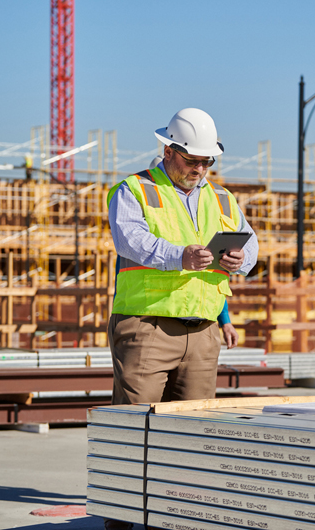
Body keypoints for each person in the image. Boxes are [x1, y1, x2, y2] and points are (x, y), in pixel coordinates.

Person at [107, 107, 258, 407]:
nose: (200, 169)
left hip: (204, 332)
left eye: (207, 162)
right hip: (148, 325)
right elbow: (129, 241)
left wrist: (241, 260)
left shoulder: (223, 198)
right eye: (192, 161)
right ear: (168, 151)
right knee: (135, 427)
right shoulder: (135, 190)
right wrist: (179, 256)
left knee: (193, 431)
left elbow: (250, 241)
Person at [148, 154, 239, 349]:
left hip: (198, 325)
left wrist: (226, 322)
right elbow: (127, 278)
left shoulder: (193, 225)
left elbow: (207, 281)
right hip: (152, 322)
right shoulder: (144, 224)